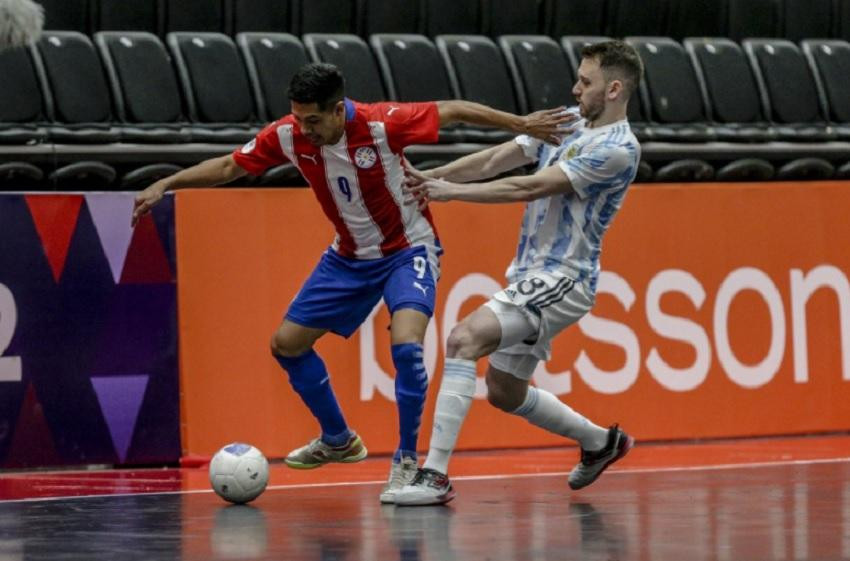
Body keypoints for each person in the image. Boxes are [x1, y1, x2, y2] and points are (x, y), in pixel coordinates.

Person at [132, 62, 571, 504]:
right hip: (348, 258)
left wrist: (521, 123)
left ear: (339, 110)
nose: (304, 128)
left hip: (408, 250)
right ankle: (338, 439)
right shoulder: (288, 135)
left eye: (313, 120)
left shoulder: (382, 125)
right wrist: (167, 183)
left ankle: (405, 461)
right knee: (287, 343)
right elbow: (230, 166)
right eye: (298, 117)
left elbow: (452, 110)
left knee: (406, 345)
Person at [394, 40, 644, 506]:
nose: (575, 88)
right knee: (504, 391)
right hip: (532, 274)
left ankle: (433, 475)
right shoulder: (569, 122)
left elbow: (531, 185)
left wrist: (449, 192)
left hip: (564, 278)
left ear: (613, 89)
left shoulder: (620, 149)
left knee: (464, 338)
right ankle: (600, 442)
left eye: (585, 82)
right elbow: (497, 160)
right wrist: (430, 178)